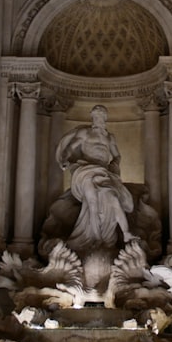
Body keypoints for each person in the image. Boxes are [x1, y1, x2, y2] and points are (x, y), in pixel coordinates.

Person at [55, 105, 136, 253]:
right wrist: (65, 158)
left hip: (104, 172)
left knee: (113, 199)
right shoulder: (85, 133)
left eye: (101, 116)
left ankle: (126, 233)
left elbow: (117, 155)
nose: (98, 119)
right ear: (92, 117)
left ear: (105, 118)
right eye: (96, 116)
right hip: (86, 171)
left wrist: (115, 164)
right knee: (91, 202)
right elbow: (71, 147)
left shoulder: (110, 137)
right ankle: (95, 238)